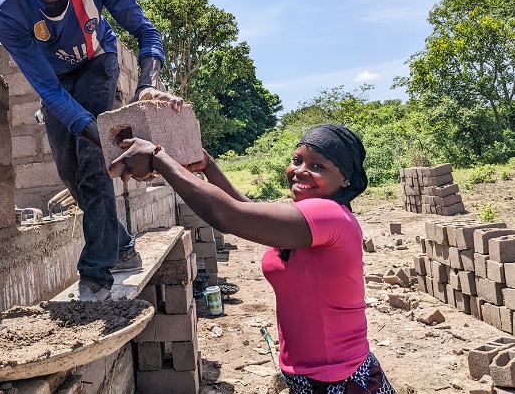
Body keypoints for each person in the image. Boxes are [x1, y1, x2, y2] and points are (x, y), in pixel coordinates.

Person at [109, 124, 396, 393]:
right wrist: (208, 166)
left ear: (345, 178)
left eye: (317, 166)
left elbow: (229, 216)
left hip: (341, 381)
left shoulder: (330, 216)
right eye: (297, 160)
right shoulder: (307, 219)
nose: (300, 171)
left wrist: (157, 157)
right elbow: (248, 210)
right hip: (313, 376)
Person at [0, 0, 182, 302]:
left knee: (92, 161)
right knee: (70, 171)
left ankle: (96, 275)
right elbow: (47, 88)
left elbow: (146, 32)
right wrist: (106, 137)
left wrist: (146, 84)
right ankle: (123, 247)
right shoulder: (7, 15)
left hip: (99, 62)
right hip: (57, 85)